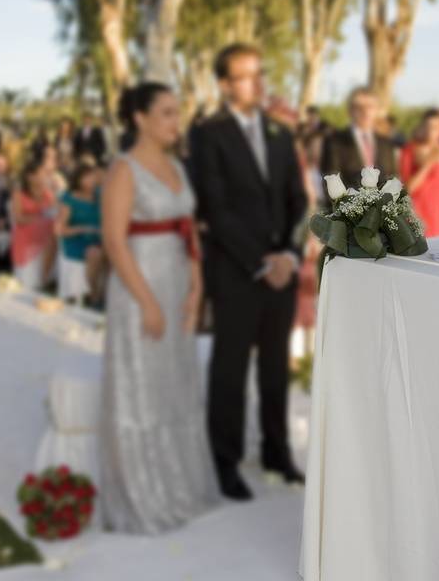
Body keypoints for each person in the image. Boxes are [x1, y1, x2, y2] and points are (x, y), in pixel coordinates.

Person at [99, 82, 218, 533]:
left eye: (177, 112)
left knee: (176, 381)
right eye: (166, 113)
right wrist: (147, 302)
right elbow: (113, 241)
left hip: (177, 281)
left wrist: (196, 286)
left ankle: (179, 484)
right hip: (138, 287)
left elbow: (189, 230)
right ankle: (143, 493)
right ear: (140, 119)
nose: (176, 121)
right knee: (142, 387)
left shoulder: (177, 167)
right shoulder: (123, 170)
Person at [191, 43, 308, 501]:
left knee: (276, 368)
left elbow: (299, 200)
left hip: (282, 270)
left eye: (261, 73)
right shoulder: (208, 134)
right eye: (246, 76)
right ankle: (226, 461)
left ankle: (277, 453)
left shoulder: (280, 134)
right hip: (237, 271)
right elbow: (215, 210)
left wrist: (289, 256)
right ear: (225, 85)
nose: (259, 84)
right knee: (230, 370)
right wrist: (262, 262)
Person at [320, 87, 397, 191]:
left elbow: (392, 179)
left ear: (377, 110)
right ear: (350, 110)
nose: (365, 111)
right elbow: (330, 183)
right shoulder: (334, 142)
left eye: (370, 107)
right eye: (359, 107)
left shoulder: (386, 144)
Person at [398, 109, 439, 238]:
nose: (431, 131)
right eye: (428, 126)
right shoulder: (409, 150)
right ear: (422, 127)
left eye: (435, 127)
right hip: (419, 213)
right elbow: (408, 188)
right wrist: (428, 163)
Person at [55, 162, 105, 305]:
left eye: (93, 176)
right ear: (78, 179)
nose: (91, 180)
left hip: (99, 237)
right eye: (87, 177)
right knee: (94, 253)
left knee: (116, 251)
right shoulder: (70, 198)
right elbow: (59, 229)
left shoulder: (100, 194)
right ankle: (93, 295)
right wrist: (83, 229)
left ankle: (107, 295)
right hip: (77, 240)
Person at [11, 159, 57, 290]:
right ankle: (38, 281)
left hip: (46, 235)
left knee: (54, 239)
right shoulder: (19, 194)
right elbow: (18, 218)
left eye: (43, 174)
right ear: (29, 176)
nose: (43, 177)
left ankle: (44, 279)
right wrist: (39, 219)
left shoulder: (47, 194)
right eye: (39, 174)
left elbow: (54, 211)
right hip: (26, 234)